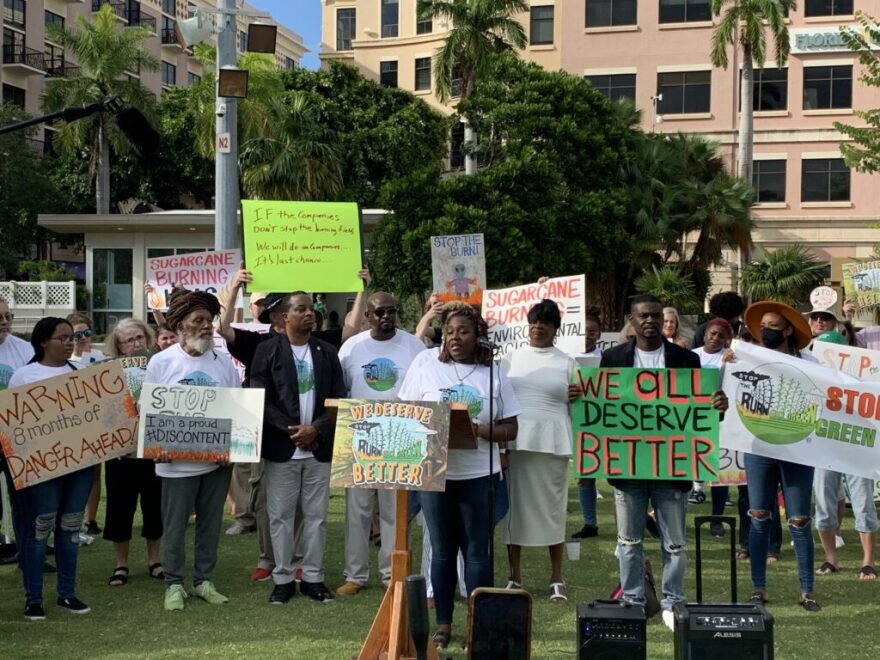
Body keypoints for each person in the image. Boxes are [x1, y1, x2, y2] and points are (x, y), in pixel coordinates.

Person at [600, 295, 728, 631]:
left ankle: (673, 601)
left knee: (675, 542)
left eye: (656, 315)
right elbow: (601, 410)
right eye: (643, 316)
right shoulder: (612, 359)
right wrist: (582, 397)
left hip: (672, 466)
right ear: (632, 319)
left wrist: (717, 405)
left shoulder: (685, 360)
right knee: (628, 540)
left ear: (663, 319)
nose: (650, 321)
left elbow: (700, 412)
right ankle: (633, 600)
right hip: (627, 466)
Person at [398, 304, 521, 649]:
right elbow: (405, 412)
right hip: (435, 473)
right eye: (449, 331)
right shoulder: (425, 365)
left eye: (463, 331)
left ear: (477, 335)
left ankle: (477, 624)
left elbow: (512, 427)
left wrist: (481, 431)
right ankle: (444, 623)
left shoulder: (493, 374)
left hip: (479, 474)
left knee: (477, 551)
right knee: (441, 550)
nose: (455, 337)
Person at [144, 290, 239, 612]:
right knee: (173, 527)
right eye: (198, 320)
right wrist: (157, 445)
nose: (206, 327)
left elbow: (236, 409)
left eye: (209, 321)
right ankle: (174, 584)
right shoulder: (162, 361)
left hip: (216, 463)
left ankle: (203, 581)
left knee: (210, 525)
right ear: (181, 324)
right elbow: (149, 410)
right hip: (174, 465)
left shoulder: (222, 361)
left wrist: (232, 447)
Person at [250, 292, 347, 605]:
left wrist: (316, 429)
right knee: (280, 516)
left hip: (318, 447)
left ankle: (313, 578)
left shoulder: (327, 351)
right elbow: (260, 398)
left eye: (310, 309)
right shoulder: (267, 351)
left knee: (317, 516)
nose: (309, 314)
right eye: (300, 309)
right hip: (283, 447)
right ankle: (283, 578)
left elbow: (339, 397)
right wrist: (294, 432)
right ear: (283, 318)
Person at [729, 300, 822, 611]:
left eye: (773, 326)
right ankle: (759, 587)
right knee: (758, 516)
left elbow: (825, 398)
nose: (766, 331)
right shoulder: (747, 358)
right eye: (763, 326)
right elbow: (725, 389)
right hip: (759, 448)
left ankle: (806, 589)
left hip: (797, 450)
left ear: (787, 330)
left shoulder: (810, 363)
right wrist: (726, 365)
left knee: (799, 520)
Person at [335, 292, 426, 596]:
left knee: (394, 511)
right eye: (379, 313)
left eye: (391, 312)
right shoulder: (352, 347)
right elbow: (342, 388)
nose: (386, 317)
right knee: (357, 509)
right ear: (367, 317)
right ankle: (355, 575)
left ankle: (392, 575)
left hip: (400, 433)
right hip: (359, 431)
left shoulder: (414, 346)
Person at [8, 317, 93, 620]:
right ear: (44, 341)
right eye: (64, 337)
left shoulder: (83, 372)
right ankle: (34, 598)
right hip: (41, 468)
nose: (71, 342)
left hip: (80, 466)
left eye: (74, 336)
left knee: (70, 530)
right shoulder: (23, 376)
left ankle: (66, 594)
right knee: (39, 529)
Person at [501, 300, 573, 602]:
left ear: (556, 328)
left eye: (545, 322)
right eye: (533, 321)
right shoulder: (508, 359)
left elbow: (581, 405)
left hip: (552, 445)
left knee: (553, 511)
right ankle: (514, 576)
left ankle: (556, 577)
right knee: (512, 511)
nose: (538, 327)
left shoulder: (568, 362)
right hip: (517, 443)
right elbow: (499, 401)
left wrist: (581, 396)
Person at [102, 319, 163, 588]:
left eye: (139, 337)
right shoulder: (105, 372)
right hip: (120, 453)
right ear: (118, 346)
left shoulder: (161, 366)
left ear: (148, 338)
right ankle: (121, 564)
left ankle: (154, 560)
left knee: (155, 505)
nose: (136, 343)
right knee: (119, 507)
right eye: (129, 340)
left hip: (154, 450)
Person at [572, 310, 603, 540]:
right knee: (584, 475)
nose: (587, 335)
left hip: (605, 419)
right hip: (577, 421)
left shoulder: (609, 357)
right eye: (584, 331)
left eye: (592, 331)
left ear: (599, 334)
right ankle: (589, 523)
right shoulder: (566, 358)